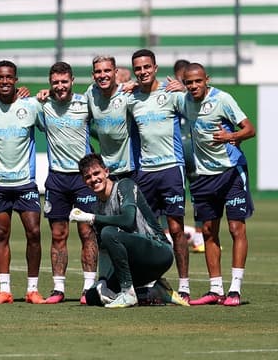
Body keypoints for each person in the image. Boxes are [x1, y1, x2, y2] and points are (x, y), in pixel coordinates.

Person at [70, 154, 188, 308]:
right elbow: (104, 250)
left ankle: (128, 293)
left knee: (109, 233)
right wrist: (103, 281)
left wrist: (91, 218)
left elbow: (127, 220)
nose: (93, 179)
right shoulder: (97, 207)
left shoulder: (125, 185)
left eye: (96, 173)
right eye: (88, 177)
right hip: (135, 265)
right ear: (84, 182)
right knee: (93, 297)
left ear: (106, 171)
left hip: (159, 253)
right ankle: (155, 291)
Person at [181, 63, 256, 307]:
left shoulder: (223, 99)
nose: (193, 86)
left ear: (206, 80)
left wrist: (231, 137)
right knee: (209, 232)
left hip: (231, 172)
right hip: (203, 177)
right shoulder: (183, 101)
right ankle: (215, 289)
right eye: (189, 82)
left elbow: (249, 129)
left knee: (236, 229)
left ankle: (235, 289)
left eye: (197, 81)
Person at [127, 49, 191, 301]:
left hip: (171, 169)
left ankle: (184, 285)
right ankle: (153, 282)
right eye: (138, 68)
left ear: (154, 67)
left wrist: (184, 90)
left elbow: (198, 107)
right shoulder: (131, 99)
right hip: (146, 172)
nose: (142, 72)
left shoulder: (172, 93)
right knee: (145, 232)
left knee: (176, 229)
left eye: (146, 67)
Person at [0, 60, 44, 304]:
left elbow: (49, 124)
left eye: (9, 77)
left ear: (16, 80)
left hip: (25, 182)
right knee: (1, 234)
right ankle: (4, 290)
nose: (5, 81)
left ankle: (32, 290)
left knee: (34, 233)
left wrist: (41, 94)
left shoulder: (31, 106)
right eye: (0, 78)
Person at [34, 62, 98, 304]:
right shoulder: (44, 105)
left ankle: (89, 288)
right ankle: (58, 289)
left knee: (87, 233)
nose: (60, 87)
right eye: (55, 82)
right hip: (57, 179)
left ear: (72, 81)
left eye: (64, 82)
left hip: (83, 179)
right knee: (58, 234)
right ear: (50, 84)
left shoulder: (86, 103)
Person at [85, 55, 138, 179]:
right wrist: (51, 93)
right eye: (98, 72)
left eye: (107, 70)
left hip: (131, 168)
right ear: (93, 75)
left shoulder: (128, 93)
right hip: (106, 171)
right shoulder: (91, 93)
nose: (102, 75)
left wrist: (137, 85)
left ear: (115, 72)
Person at [173, 59, 206, 253]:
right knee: (172, 196)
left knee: (199, 194)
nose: (189, 84)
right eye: (185, 79)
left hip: (195, 153)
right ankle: (168, 235)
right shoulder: (169, 94)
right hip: (175, 152)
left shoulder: (196, 96)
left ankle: (200, 237)